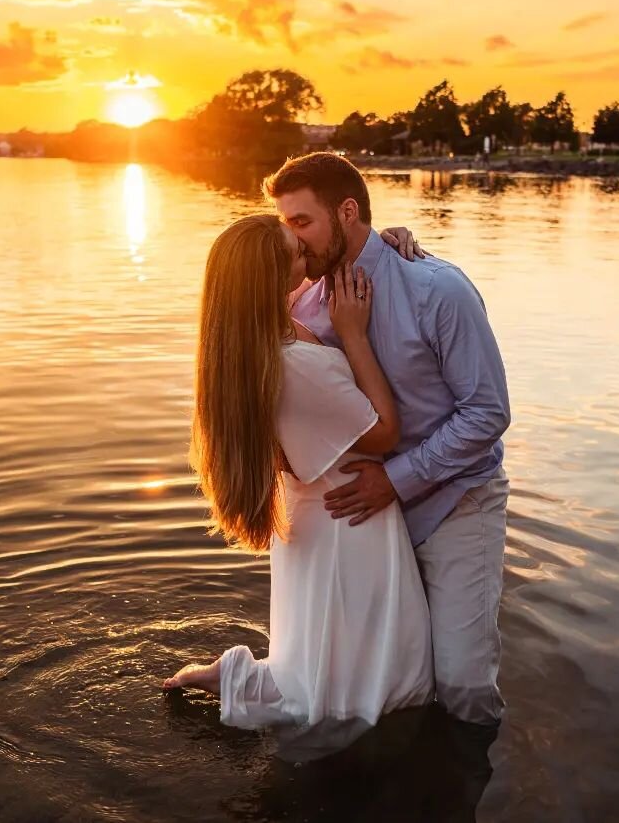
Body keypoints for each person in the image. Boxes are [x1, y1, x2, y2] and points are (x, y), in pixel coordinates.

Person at [163, 214, 434, 753]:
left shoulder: (253, 341)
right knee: (373, 675)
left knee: (324, 651)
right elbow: (383, 433)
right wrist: (354, 336)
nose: (308, 259)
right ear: (269, 279)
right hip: (349, 512)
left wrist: (379, 241)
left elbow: (334, 257)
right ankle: (276, 709)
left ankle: (242, 680)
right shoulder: (293, 362)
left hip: (312, 510)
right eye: (295, 255)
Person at [266, 151, 511, 727]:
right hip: (366, 520)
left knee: (463, 685)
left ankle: (475, 791)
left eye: (302, 223)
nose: (294, 242)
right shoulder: (301, 300)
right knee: (384, 673)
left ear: (348, 211)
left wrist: (396, 481)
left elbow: (487, 413)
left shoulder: (437, 289)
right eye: (286, 228)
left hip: (455, 503)